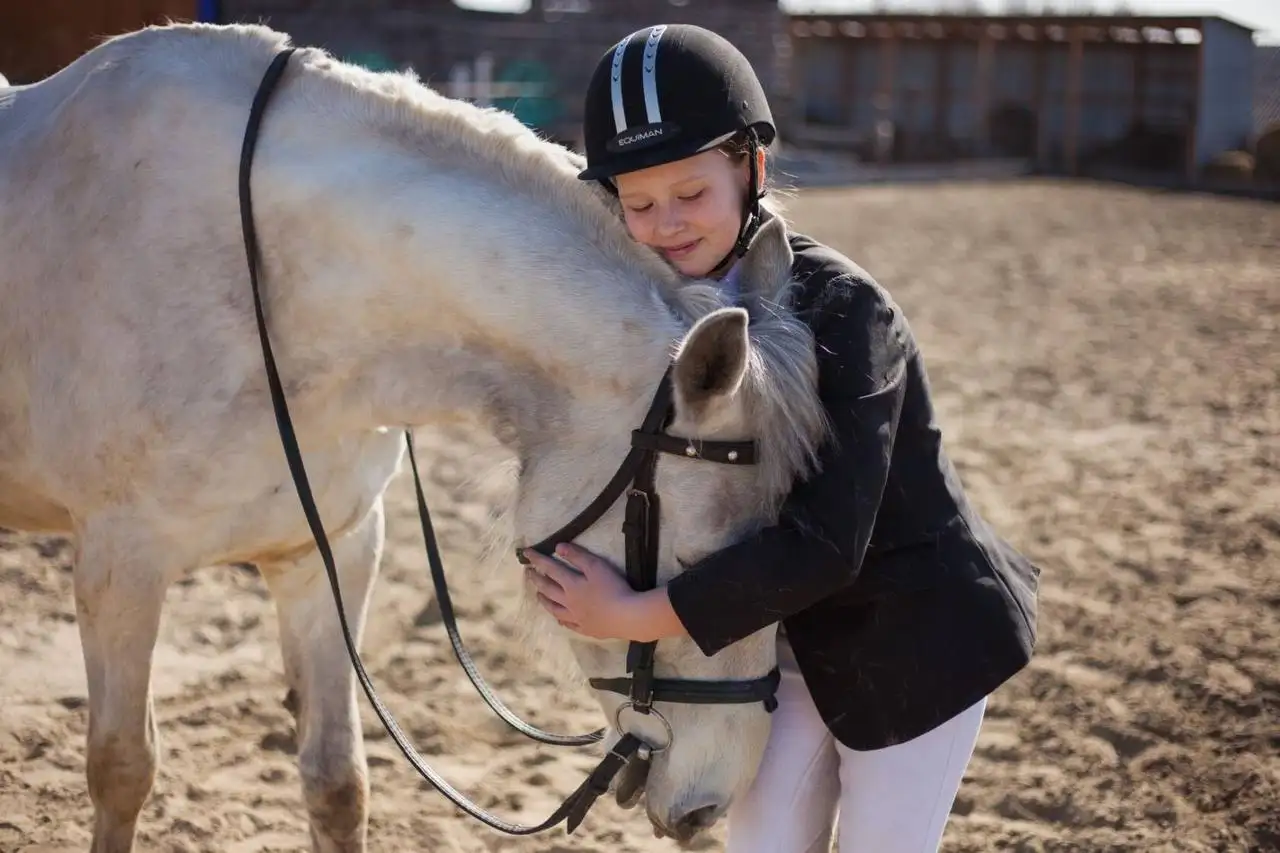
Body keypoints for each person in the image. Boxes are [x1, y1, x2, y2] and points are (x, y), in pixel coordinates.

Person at [522, 23, 1041, 853]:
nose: (666, 225)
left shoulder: (848, 312)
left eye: (691, 194)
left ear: (752, 169)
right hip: (783, 641)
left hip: (916, 640)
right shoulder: (648, 309)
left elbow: (830, 544)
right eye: (639, 203)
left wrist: (637, 613)